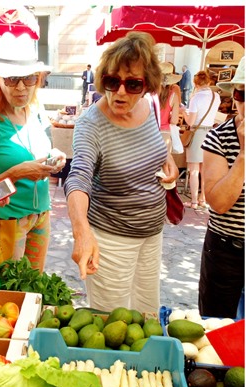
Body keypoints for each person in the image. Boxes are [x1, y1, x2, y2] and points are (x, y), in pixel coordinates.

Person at [65, 31, 179, 313]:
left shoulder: (148, 105)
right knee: (114, 326)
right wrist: (82, 233)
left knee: (148, 315)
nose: (121, 92)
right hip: (111, 243)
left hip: (152, 235)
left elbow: (153, 146)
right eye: (112, 81)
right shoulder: (91, 125)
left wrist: (169, 162)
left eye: (133, 84)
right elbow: (78, 177)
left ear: (147, 85)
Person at [0, 34, 66, 273]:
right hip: (7, 224)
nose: (22, 87)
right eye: (12, 79)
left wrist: (55, 156)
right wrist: (16, 174)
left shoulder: (37, 111)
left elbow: (42, 150)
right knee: (9, 299)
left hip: (41, 218)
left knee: (33, 293)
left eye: (29, 78)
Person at [198, 58, 246, 318]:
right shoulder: (218, 137)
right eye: (242, 94)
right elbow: (218, 202)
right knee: (217, 325)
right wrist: (243, 155)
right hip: (226, 250)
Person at [180, 71, 221, 210]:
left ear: (195, 83)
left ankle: (194, 201)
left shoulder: (195, 99)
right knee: (205, 169)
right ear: (209, 82)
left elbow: (190, 122)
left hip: (197, 133)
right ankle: (203, 198)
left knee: (193, 170)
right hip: (211, 133)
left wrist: (183, 112)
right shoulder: (217, 97)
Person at [158, 62, 182, 152]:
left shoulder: (148, 94)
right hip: (165, 134)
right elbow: (174, 121)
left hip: (149, 134)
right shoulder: (173, 96)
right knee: (165, 165)